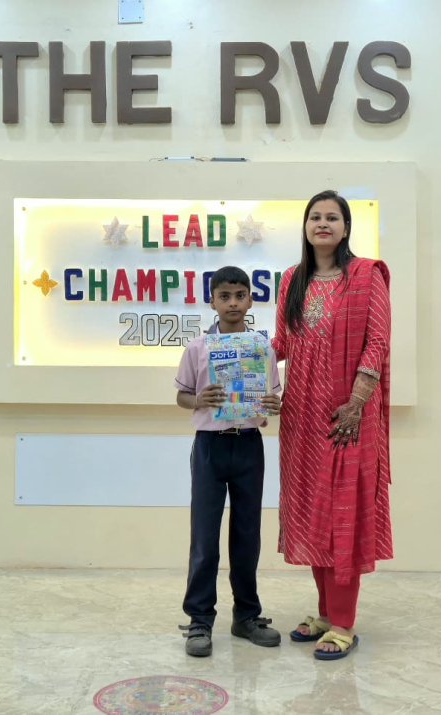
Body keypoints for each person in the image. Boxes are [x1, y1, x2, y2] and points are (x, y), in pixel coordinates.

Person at [272, 190, 392, 661]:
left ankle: (343, 623)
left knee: (344, 514)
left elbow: (377, 343)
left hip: (346, 416)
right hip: (301, 414)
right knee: (312, 511)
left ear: (345, 228)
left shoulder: (365, 276)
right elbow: (281, 344)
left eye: (332, 218)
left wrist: (357, 403)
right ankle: (325, 613)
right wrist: (231, 353)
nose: (323, 224)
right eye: (315, 217)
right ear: (305, 227)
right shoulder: (292, 280)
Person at [175, 265, 283, 657]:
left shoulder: (262, 347)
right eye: (225, 296)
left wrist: (274, 404)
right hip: (210, 447)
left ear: (250, 300)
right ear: (213, 302)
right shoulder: (197, 348)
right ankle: (199, 620)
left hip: (249, 445)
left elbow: (272, 395)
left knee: (247, 534)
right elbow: (182, 396)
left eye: (240, 296)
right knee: (205, 536)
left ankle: (246, 616)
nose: (233, 303)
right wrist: (198, 399)